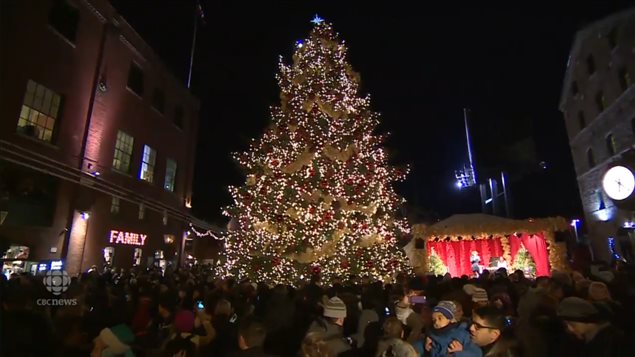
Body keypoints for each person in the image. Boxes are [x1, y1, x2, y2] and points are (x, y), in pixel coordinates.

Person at [557, 296, 624, 356]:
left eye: (573, 325)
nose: (570, 329)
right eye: (566, 324)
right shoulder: (584, 337)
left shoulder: (611, 340)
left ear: (587, 320)